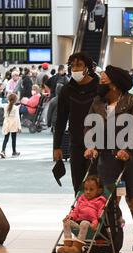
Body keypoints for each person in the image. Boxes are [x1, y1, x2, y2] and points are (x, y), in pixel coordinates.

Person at [84, 65, 133, 252]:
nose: (100, 83)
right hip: (105, 158)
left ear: (114, 85)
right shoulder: (97, 102)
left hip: (130, 158)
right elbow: (89, 125)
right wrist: (90, 145)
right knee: (108, 200)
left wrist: (127, 149)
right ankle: (113, 240)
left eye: (103, 80)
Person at [53, 52, 99, 194]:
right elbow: (60, 119)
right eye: (72, 65)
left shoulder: (100, 88)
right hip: (76, 143)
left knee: (96, 183)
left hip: (98, 144)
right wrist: (57, 146)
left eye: (79, 65)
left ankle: (99, 215)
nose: (75, 69)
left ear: (87, 67)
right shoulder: (67, 90)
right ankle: (80, 213)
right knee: (78, 184)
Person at [57, 176, 107, 253]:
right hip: (78, 224)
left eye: (91, 189)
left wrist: (95, 223)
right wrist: (71, 216)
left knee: (84, 223)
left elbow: (99, 215)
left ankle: (76, 248)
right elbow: (76, 211)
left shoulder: (100, 201)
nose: (87, 192)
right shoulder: (81, 199)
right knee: (66, 222)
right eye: (86, 189)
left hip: (90, 225)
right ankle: (68, 246)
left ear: (98, 191)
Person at [0, 93, 21, 159]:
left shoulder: (5, 106)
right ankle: (14, 151)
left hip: (6, 123)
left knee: (6, 138)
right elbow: (17, 118)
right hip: (14, 124)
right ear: (15, 100)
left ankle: (3, 151)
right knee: (13, 138)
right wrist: (19, 127)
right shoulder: (16, 108)